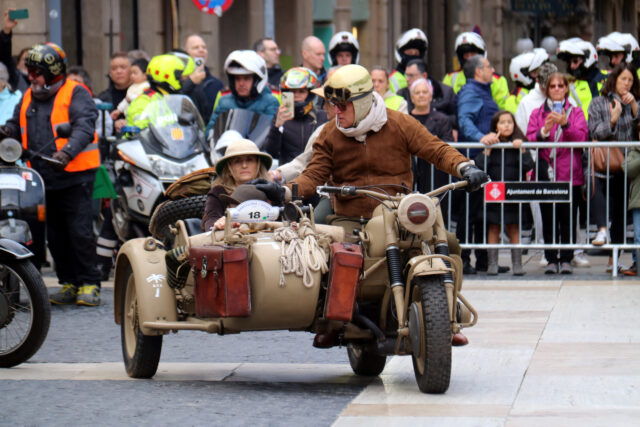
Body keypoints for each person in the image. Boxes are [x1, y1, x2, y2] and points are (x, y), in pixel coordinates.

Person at [251, 64, 487, 347]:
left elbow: (436, 149)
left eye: (342, 105)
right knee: (332, 254)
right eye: (333, 105)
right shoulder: (329, 134)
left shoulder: (399, 123)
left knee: (447, 242)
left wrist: (464, 167)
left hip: (397, 211)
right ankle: (333, 318)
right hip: (351, 216)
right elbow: (313, 174)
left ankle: (447, 314)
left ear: (362, 102)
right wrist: (285, 191)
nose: (336, 111)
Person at [1, 43, 102, 305]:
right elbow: (16, 124)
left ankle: (89, 283)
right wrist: (7, 132)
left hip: (74, 174)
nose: (31, 76)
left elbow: (84, 127)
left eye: (36, 72)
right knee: (55, 235)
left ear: (53, 72)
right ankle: (69, 282)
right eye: (29, 71)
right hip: (41, 176)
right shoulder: (28, 95)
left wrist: (66, 153)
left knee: (79, 231)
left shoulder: (76, 92)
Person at [527, 72, 588, 275]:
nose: (556, 89)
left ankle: (567, 258)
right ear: (546, 89)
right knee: (548, 218)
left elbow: (582, 138)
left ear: (566, 89)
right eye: (552, 86)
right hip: (547, 173)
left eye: (560, 85)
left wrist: (565, 124)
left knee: (568, 218)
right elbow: (530, 137)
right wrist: (544, 131)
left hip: (570, 173)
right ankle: (551, 258)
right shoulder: (537, 113)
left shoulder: (576, 112)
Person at [587, 63, 640, 273]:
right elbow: (595, 132)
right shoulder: (598, 102)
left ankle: (614, 259)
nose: (626, 84)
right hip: (604, 161)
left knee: (620, 212)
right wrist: (613, 119)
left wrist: (634, 106)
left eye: (630, 80)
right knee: (598, 193)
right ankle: (601, 230)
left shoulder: (634, 103)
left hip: (627, 163)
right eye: (623, 79)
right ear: (614, 80)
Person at [456, 54, 506, 274]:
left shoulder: (482, 91)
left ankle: (483, 260)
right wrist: (480, 138)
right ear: (478, 71)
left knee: (481, 211)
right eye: (488, 66)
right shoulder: (471, 92)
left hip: (483, 159)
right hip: (474, 159)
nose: (492, 69)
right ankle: (464, 260)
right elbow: (464, 120)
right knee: (470, 211)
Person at [475, 111, 534, 275]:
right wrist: (487, 150)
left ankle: (517, 264)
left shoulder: (518, 143)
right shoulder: (491, 144)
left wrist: (522, 149)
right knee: (494, 227)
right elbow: (480, 167)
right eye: (502, 122)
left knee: (514, 227)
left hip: (513, 193)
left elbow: (529, 165)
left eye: (509, 122)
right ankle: (492, 264)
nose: (506, 125)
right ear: (495, 126)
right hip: (494, 193)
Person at [408, 78, 454, 225]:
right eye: (417, 93)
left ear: (430, 96)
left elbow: (447, 143)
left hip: (435, 174)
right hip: (411, 172)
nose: (421, 95)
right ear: (412, 97)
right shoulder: (406, 119)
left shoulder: (442, 119)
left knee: (438, 211)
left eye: (424, 92)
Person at [202, 139, 272, 231]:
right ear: (229, 169)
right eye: (237, 161)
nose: (244, 165)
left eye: (250, 160)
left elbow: (284, 217)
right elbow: (211, 221)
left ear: (258, 165)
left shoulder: (271, 190)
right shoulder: (218, 192)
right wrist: (219, 224)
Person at [205, 50, 280, 136]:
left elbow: (271, 133)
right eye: (237, 79)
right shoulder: (224, 102)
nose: (241, 83)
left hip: (255, 145)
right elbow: (211, 131)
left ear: (257, 81)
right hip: (229, 144)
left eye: (246, 79)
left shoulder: (269, 102)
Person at [264, 67, 327, 165]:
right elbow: (271, 152)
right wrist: (277, 127)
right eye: (292, 92)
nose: (296, 95)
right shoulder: (280, 117)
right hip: (288, 172)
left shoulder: (323, 117)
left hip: (316, 170)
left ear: (310, 93)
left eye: (301, 91)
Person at [443, 31, 509, 110]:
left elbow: (503, 109)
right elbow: (445, 105)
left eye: (473, 54)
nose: (470, 58)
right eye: (466, 55)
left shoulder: (498, 80)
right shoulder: (450, 77)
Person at [126, 54, 193, 130]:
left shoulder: (167, 98)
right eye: (181, 78)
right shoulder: (144, 101)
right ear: (168, 76)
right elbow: (142, 130)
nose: (183, 81)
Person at [397, 59, 457, 131]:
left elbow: (456, 118)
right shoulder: (401, 94)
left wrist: (440, 121)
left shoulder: (445, 92)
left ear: (424, 75)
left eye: (411, 75)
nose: (407, 79)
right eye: (406, 75)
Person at [557, 38, 607, 120]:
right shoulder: (571, 86)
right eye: (570, 63)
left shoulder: (608, 77)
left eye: (575, 61)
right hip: (584, 127)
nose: (572, 66)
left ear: (587, 58)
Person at [182, 34, 224, 123]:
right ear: (186, 53)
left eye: (204, 47)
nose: (201, 50)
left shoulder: (216, 84)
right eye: (196, 48)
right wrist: (190, 82)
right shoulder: (180, 81)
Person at [506, 48, 549, 114]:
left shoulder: (545, 91)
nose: (541, 74)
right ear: (524, 75)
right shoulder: (514, 98)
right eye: (535, 72)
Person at [97, 52, 131, 133]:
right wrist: (112, 124)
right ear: (110, 73)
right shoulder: (102, 98)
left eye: (123, 67)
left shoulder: (142, 94)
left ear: (131, 70)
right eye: (114, 68)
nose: (119, 71)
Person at [388, 28, 428, 94]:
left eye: (416, 53)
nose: (413, 56)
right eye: (410, 53)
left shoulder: (426, 77)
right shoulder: (392, 79)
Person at [623, 136, 640, 276]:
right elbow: (627, 169)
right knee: (638, 235)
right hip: (637, 200)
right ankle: (637, 263)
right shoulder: (634, 151)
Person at [0, 9, 29, 93]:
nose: (27, 63)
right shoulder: (14, 76)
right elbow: (4, 55)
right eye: (25, 59)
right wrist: (6, 31)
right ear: (18, 64)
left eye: (32, 61)